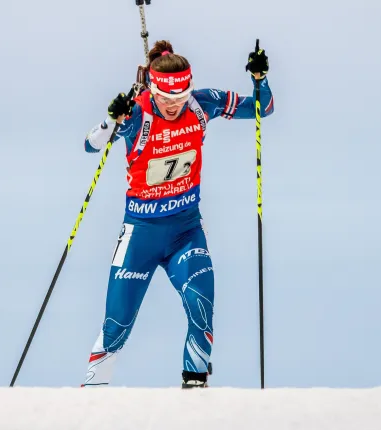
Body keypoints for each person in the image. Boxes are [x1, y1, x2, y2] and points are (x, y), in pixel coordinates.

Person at [81, 40, 274, 388]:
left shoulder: (202, 104)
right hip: (140, 234)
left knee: (201, 308)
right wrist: (112, 118)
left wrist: (260, 79)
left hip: (185, 231)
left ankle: (195, 390)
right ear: (152, 90)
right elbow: (91, 144)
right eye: (167, 100)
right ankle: (92, 400)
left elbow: (263, 108)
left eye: (180, 99)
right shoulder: (137, 113)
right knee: (116, 327)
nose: (173, 107)